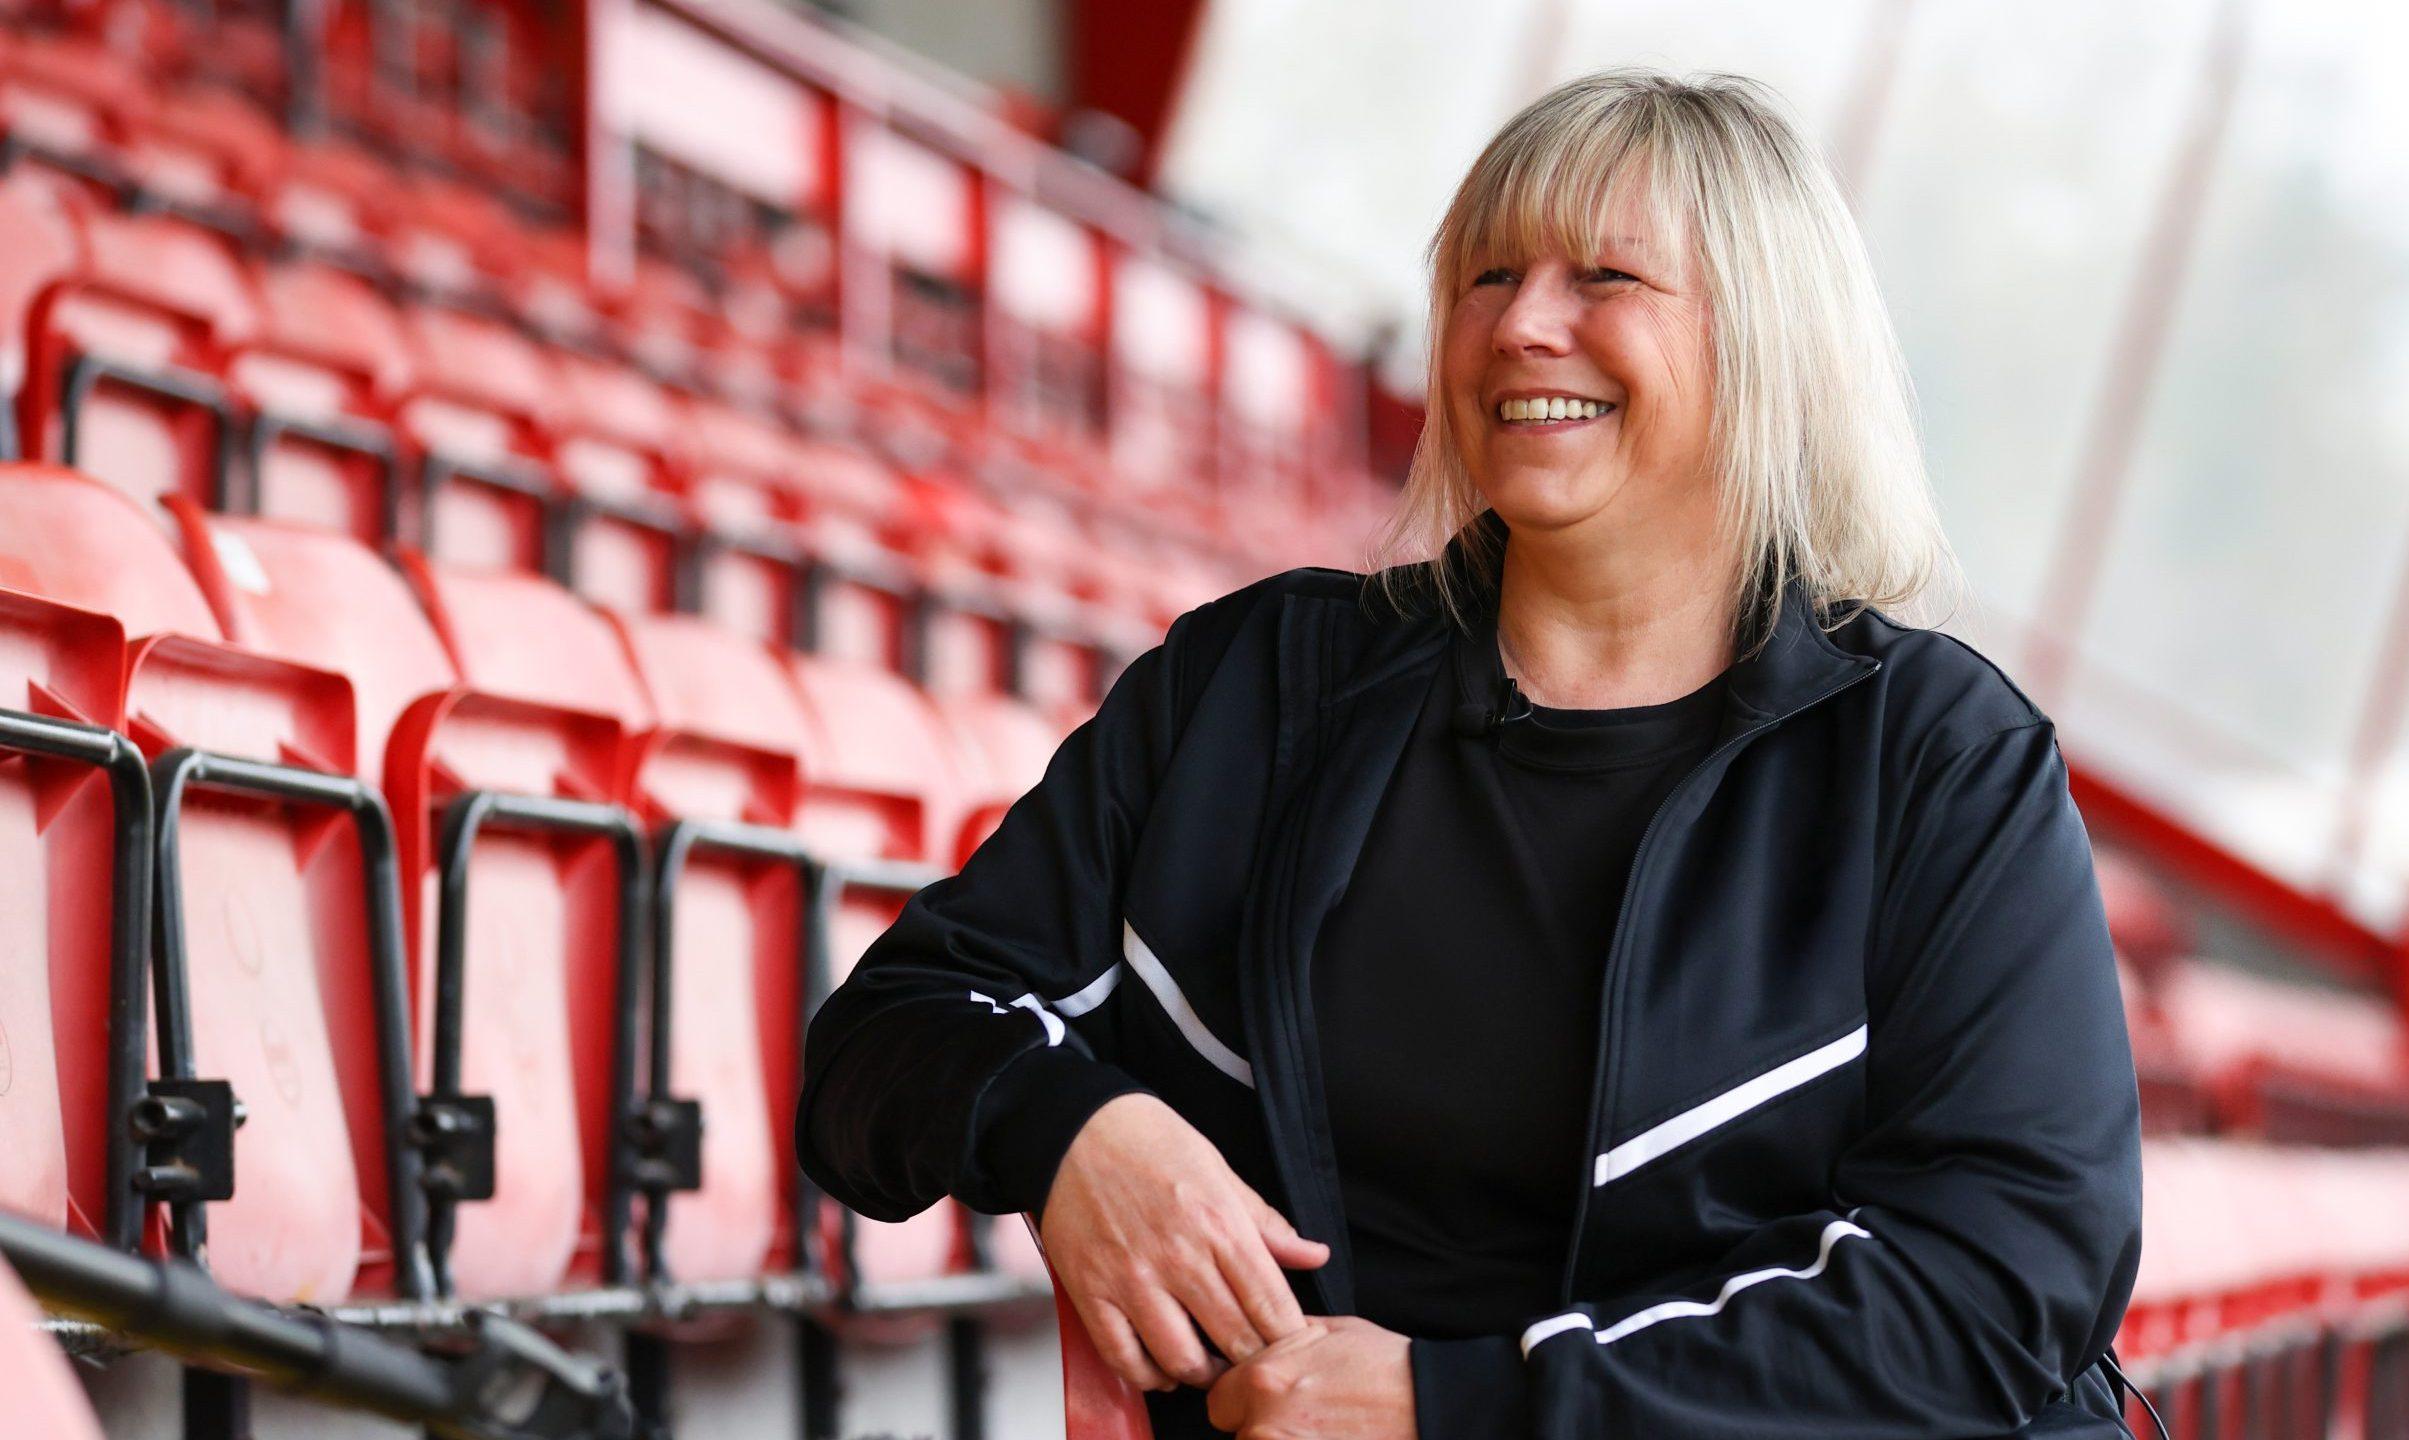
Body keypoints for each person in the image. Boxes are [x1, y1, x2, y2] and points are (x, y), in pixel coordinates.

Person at [799, 67, 2143, 1440]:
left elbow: (1999, 1284)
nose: (1522, 326)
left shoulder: (1936, 761)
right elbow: (877, 1049)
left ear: (1766, 345)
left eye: (1604, 277)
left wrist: (1458, 1408)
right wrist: (1070, 1129)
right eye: (1487, 277)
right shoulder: (1255, 688)